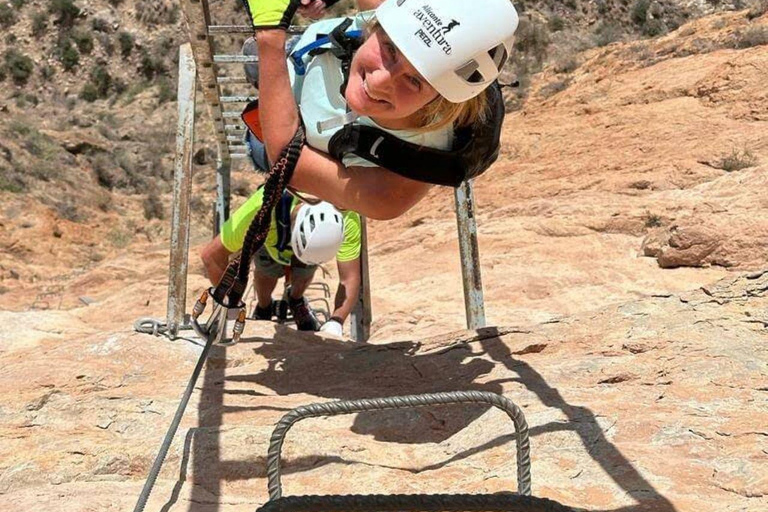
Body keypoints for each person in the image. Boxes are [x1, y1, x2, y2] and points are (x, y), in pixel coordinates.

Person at [241, 0, 519, 220]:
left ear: (439, 100)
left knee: (258, 145)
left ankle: (272, 67)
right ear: (374, 26)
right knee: (270, 64)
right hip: (308, 62)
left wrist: (269, 39)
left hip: (284, 140)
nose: (379, 81)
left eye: (414, 80)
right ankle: (279, 62)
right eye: (390, 50)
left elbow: (285, 161)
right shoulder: (397, 16)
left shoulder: (390, 193)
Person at [200, 187, 362, 335]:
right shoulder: (262, 208)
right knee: (266, 273)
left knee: (304, 272)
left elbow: (349, 279)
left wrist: (336, 321)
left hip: (293, 241)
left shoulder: (347, 217)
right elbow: (212, 257)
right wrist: (233, 305)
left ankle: (296, 300)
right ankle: (264, 306)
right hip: (268, 239)